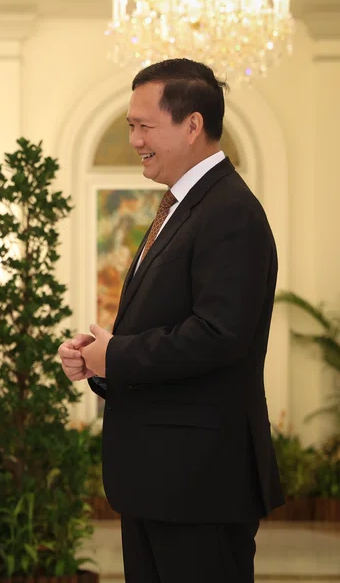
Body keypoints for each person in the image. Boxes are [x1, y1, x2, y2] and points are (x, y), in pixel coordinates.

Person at [58, 58, 283, 582]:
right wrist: (102, 354)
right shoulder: (184, 206)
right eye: (130, 126)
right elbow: (172, 323)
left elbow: (218, 335)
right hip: (162, 478)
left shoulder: (230, 211)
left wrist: (114, 355)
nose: (134, 139)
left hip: (199, 480)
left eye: (143, 125)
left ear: (193, 125)